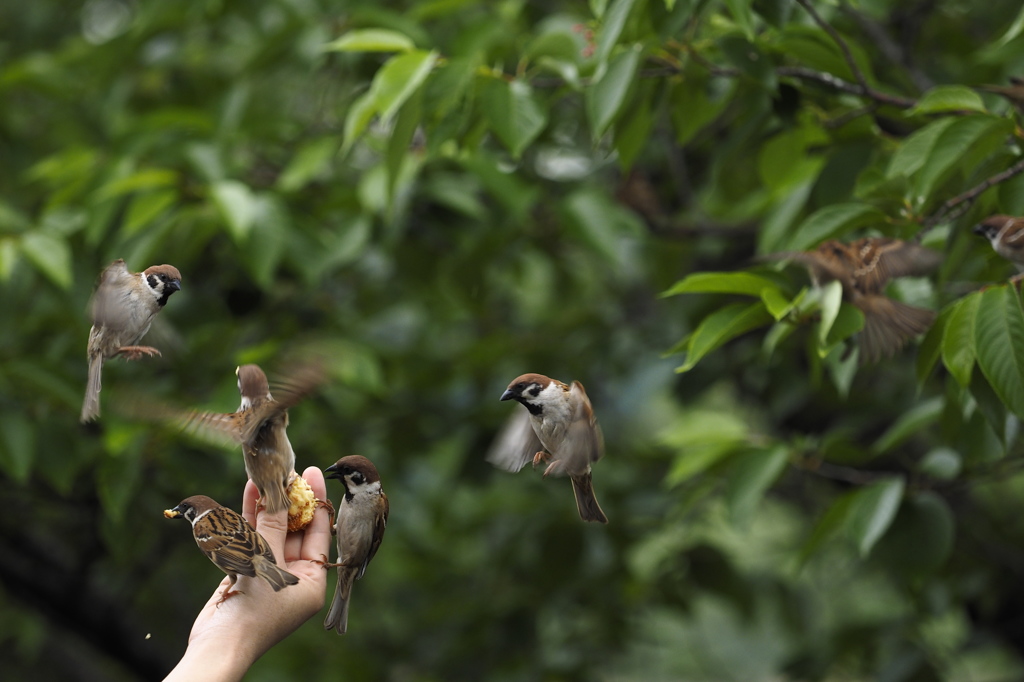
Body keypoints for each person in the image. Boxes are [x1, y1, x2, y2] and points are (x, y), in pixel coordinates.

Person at [164, 466, 333, 681]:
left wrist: (239, 574)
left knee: (234, 576)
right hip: (257, 550)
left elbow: (222, 553)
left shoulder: (202, 529)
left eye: (184, 508)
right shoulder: (227, 513)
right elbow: (249, 534)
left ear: (194, 511)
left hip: (238, 560)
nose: (179, 511)